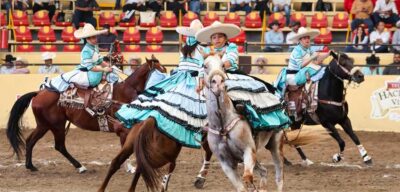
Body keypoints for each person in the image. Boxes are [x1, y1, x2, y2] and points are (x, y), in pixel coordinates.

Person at [115, 19, 207, 148]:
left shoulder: (184, 49)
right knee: (197, 103)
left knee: (163, 98)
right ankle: (195, 130)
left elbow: (182, 66)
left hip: (180, 77)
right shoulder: (201, 49)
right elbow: (201, 68)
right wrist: (201, 79)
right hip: (192, 79)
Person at [196, 21, 290, 131]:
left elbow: (230, 61)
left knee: (248, 89)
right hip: (212, 77)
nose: (217, 39)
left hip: (231, 73)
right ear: (211, 40)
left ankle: (244, 111)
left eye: (220, 36)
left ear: (225, 38)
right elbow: (201, 68)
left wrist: (218, 66)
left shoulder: (231, 47)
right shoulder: (207, 50)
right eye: (214, 37)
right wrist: (200, 81)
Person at [45, 23, 116, 92]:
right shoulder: (86, 51)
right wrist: (104, 69)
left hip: (91, 76)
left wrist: (109, 66)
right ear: (87, 39)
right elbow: (91, 67)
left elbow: (100, 61)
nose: (96, 39)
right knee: (65, 77)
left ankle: (51, 84)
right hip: (89, 73)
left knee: (65, 77)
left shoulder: (94, 47)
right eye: (93, 37)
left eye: (95, 37)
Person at [274, 27, 330, 97]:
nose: (307, 40)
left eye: (308, 38)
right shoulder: (297, 50)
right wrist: (312, 57)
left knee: (322, 69)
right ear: (300, 40)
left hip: (302, 73)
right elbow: (301, 65)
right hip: (294, 76)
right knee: (316, 69)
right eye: (304, 38)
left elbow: (317, 60)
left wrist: (327, 54)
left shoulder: (308, 48)